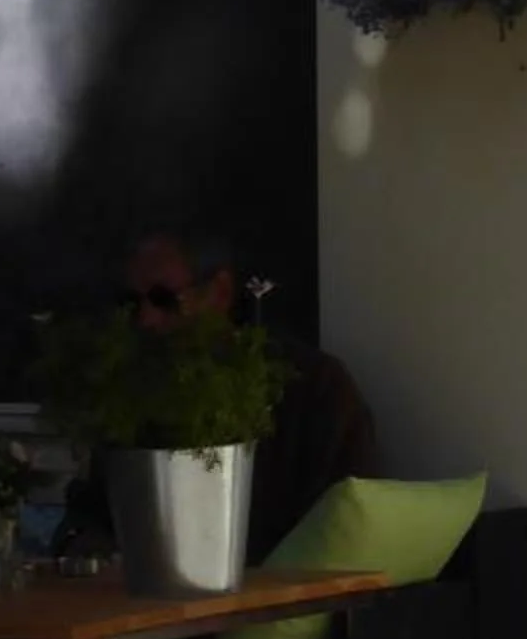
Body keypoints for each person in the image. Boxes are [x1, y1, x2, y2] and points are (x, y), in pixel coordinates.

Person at [119, 231, 379, 551]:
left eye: (164, 300)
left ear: (220, 291)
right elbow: (92, 510)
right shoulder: (131, 394)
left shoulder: (311, 387)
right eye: (132, 303)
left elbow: (348, 520)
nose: (146, 319)